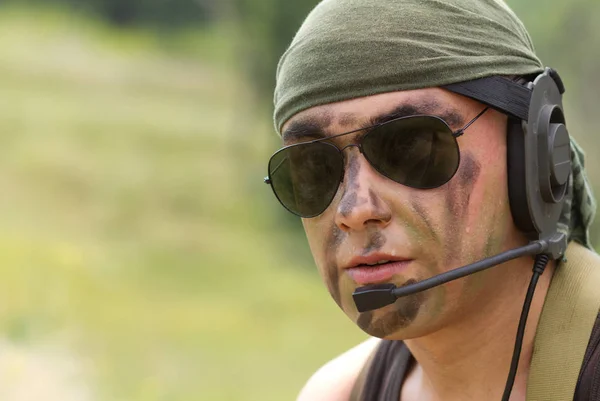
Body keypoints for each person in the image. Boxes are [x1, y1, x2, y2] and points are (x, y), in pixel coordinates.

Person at [264, 0, 600, 400]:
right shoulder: (339, 393)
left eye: (411, 147)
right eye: (313, 165)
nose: (354, 210)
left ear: (535, 155)